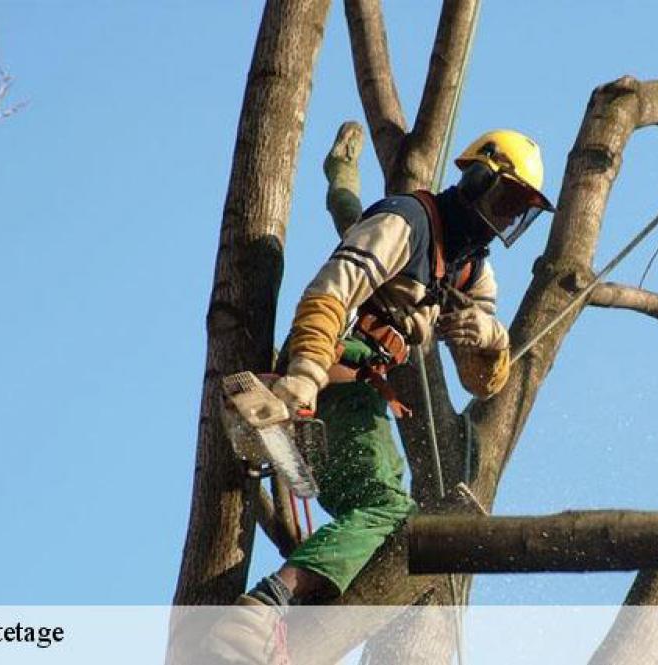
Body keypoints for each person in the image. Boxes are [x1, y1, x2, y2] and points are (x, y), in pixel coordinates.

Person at [235, 128, 554, 611]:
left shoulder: (471, 270)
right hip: (329, 376)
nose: (508, 217)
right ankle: (271, 600)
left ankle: (299, 619)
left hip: (359, 392)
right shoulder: (407, 220)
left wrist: (488, 340)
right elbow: (331, 292)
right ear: (478, 179)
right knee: (387, 508)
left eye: (519, 210)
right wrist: (303, 375)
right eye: (508, 199)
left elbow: (481, 382)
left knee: (383, 534)